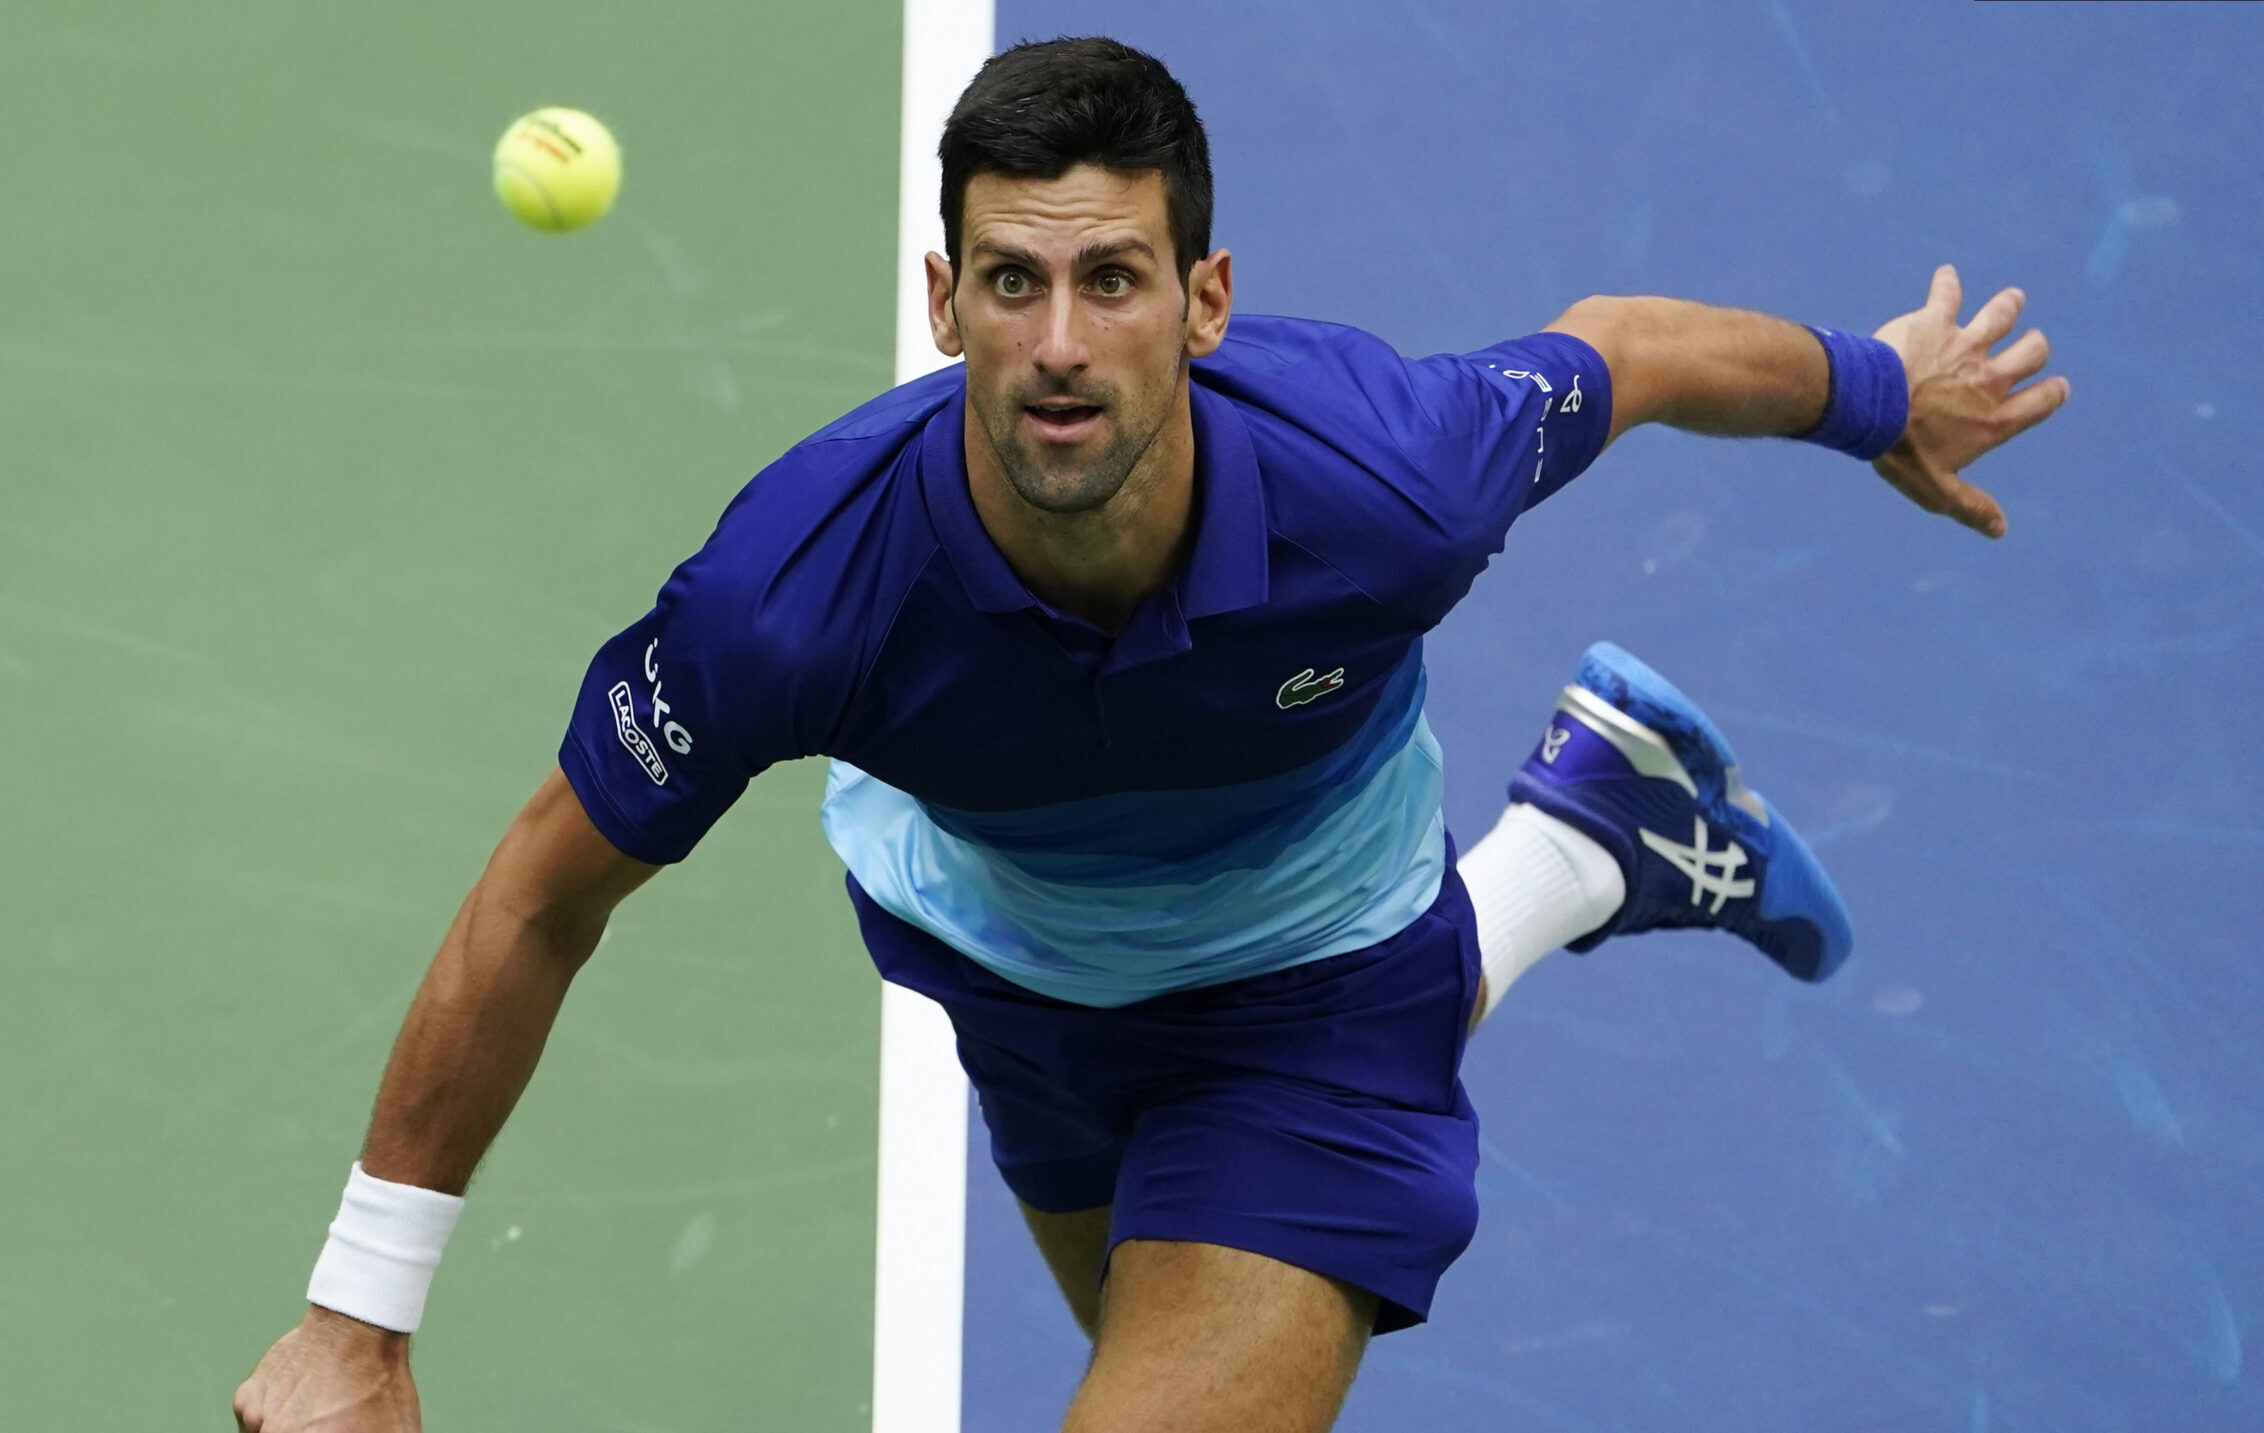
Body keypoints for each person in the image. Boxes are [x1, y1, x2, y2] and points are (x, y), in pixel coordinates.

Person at [235, 37, 2066, 1433]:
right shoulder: (790, 595)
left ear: (1203, 300)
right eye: (1010, 282)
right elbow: (543, 893)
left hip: (1319, 991)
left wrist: (1885, 388)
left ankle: (1566, 857)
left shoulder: (1386, 482)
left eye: (1112, 279)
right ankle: (1588, 836)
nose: (1057, 343)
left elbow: (1622, 349)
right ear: (942, 301)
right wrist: (356, 1310)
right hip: (1023, 984)